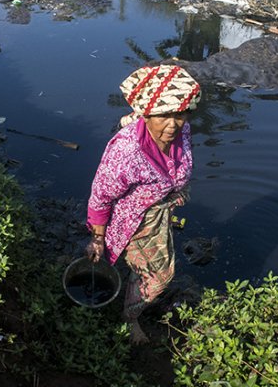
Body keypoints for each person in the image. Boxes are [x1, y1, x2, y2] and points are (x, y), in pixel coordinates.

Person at [85, 64, 202, 344]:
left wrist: (178, 190)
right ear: (146, 115)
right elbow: (100, 197)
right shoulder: (126, 153)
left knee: (145, 267)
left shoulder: (181, 131)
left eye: (180, 114)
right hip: (135, 218)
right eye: (163, 116)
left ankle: (132, 296)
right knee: (159, 276)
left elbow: (177, 163)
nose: (173, 124)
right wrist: (97, 239)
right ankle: (131, 318)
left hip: (158, 210)